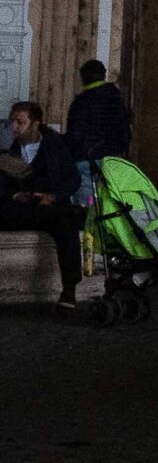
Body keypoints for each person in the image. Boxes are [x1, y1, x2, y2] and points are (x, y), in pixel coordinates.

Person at [0, 100, 85, 305]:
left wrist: (53, 197)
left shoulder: (54, 145)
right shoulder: (7, 146)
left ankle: (69, 289)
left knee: (66, 223)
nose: (15, 128)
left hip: (46, 207)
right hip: (16, 207)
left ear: (35, 124)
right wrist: (14, 195)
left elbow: (73, 179)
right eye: (13, 122)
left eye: (20, 123)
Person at [67, 60, 132, 169]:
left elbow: (75, 135)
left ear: (83, 78)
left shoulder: (81, 102)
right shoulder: (116, 98)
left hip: (88, 159)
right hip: (113, 159)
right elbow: (125, 131)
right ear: (103, 74)